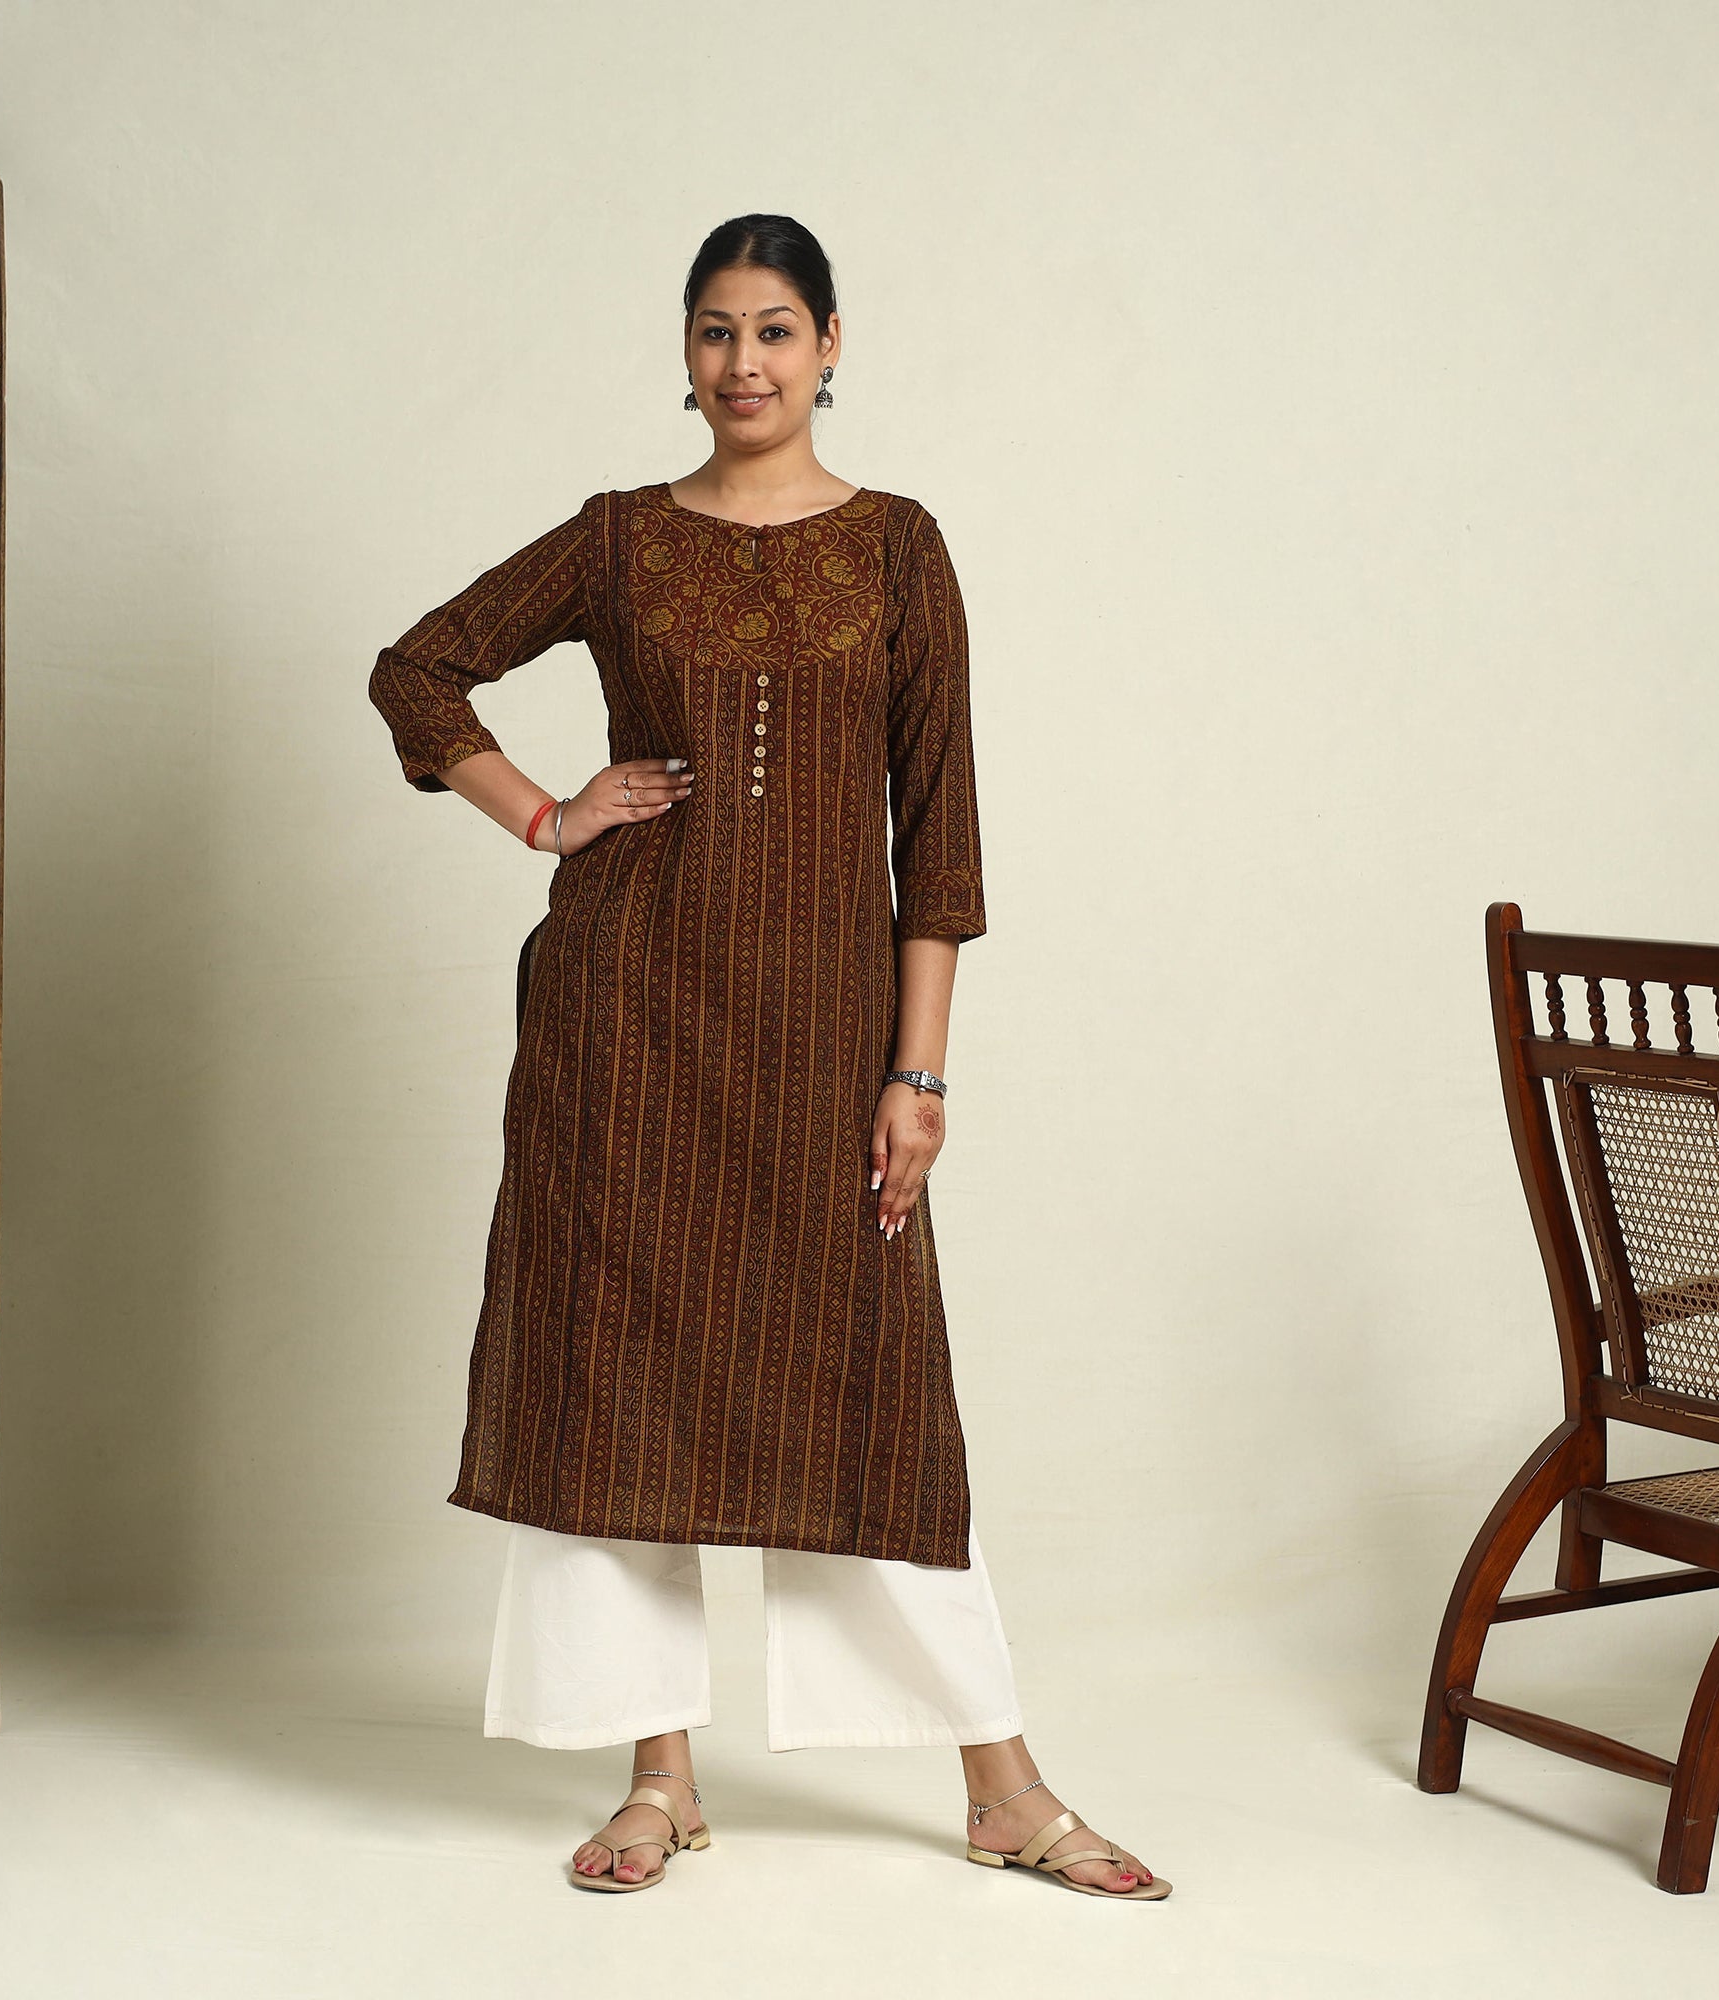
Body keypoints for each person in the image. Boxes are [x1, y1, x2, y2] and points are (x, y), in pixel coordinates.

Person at [367, 214, 1169, 1902]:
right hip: (628, 1025)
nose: (746, 362)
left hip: (822, 1040)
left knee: (871, 1389)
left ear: (830, 346)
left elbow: (938, 835)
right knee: (621, 1387)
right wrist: (547, 814)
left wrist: (918, 1077)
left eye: (777, 329)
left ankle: (1003, 1788)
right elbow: (417, 669)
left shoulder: (896, 548)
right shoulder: (619, 538)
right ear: (686, 352)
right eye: (718, 331)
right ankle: (657, 1780)